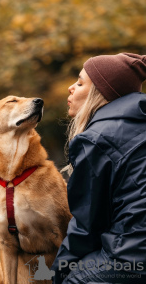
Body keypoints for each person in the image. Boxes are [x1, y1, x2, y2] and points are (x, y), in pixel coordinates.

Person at [50, 53, 146, 283]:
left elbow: (87, 227)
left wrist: (57, 275)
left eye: (81, 83)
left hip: (132, 259)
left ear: (101, 93)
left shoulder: (97, 140)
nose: (71, 88)